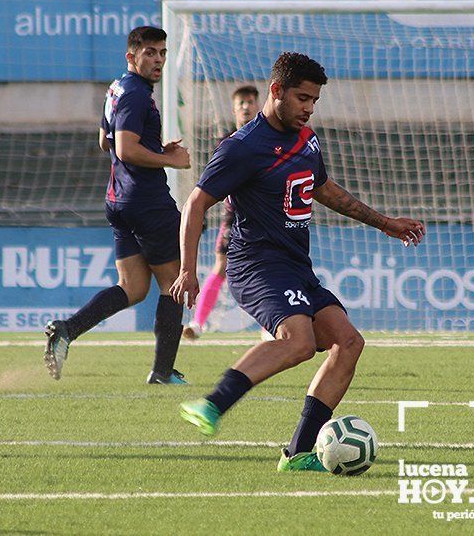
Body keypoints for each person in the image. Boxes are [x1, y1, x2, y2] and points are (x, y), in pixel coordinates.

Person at [171, 52, 425, 472]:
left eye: (314, 101)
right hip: (255, 265)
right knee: (300, 342)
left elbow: (325, 189)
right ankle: (212, 404)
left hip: (295, 265)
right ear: (276, 91)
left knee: (349, 343)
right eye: (302, 98)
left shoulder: (306, 139)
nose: (308, 108)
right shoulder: (242, 148)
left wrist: (384, 223)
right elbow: (195, 203)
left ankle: (299, 453)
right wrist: (187, 269)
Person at [43, 26, 191, 384]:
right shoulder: (137, 94)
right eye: (150, 53)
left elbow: (104, 142)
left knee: (134, 287)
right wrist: (171, 160)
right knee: (173, 282)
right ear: (132, 56)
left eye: (162, 53)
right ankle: (162, 372)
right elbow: (124, 149)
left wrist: (156, 149)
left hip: (119, 199)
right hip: (146, 200)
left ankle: (67, 329)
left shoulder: (117, 88)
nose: (158, 60)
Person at [183, 85, 260, 340]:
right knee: (220, 267)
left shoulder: (267, 139)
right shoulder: (226, 143)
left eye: (250, 102)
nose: (246, 107)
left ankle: (270, 326)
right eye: (241, 103)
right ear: (234, 109)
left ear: (258, 105)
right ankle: (198, 323)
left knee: (266, 268)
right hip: (234, 216)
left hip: (264, 216)